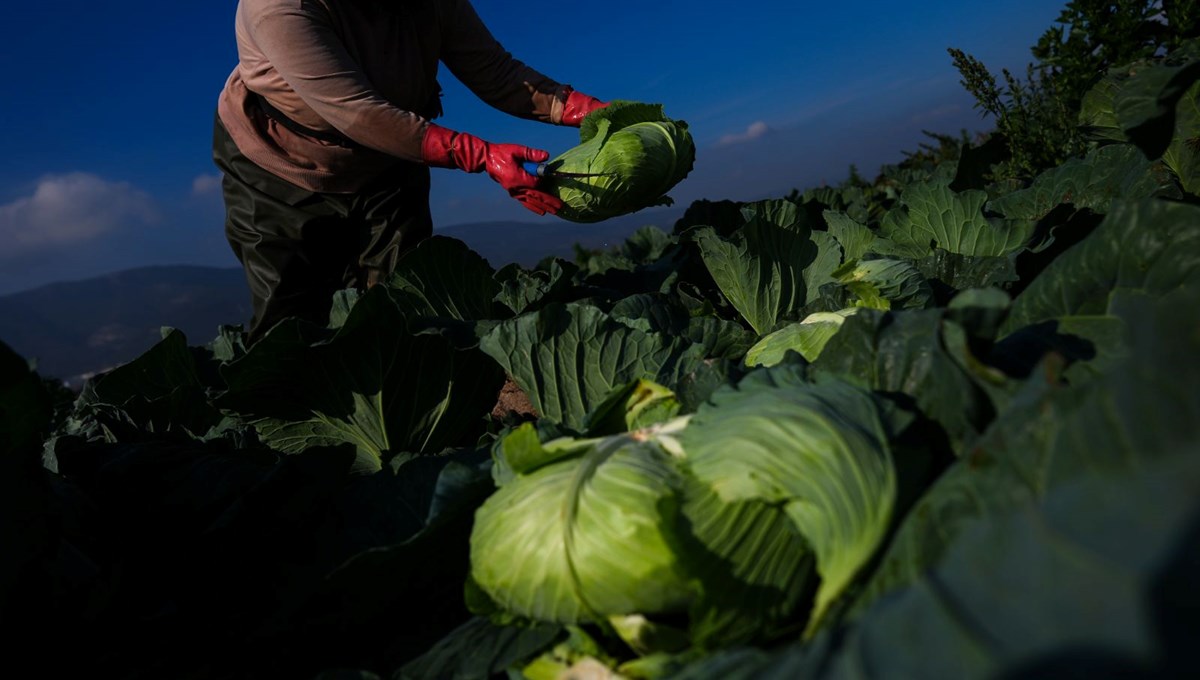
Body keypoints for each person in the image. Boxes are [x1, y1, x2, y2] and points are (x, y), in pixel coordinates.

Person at [212, 0, 609, 342]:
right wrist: (482, 155)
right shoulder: (278, 8)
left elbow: (495, 71)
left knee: (406, 297)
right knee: (290, 313)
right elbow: (358, 112)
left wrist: (588, 109)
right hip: (281, 167)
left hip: (392, 157)